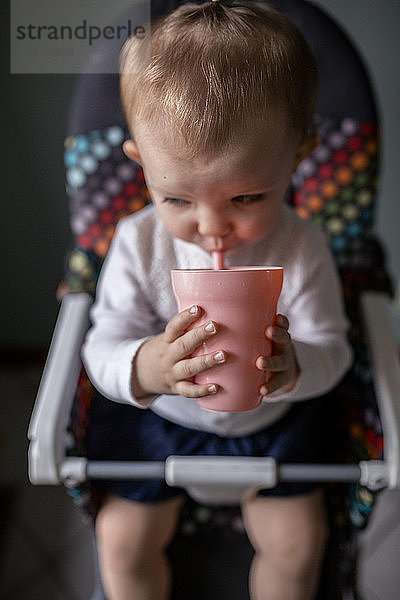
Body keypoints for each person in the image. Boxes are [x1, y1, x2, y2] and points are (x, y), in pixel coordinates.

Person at [82, 2, 353, 599]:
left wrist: (298, 367)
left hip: (274, 426)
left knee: (299, 544)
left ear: (297, 160)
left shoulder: (304, 247)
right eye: (177, 199)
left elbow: (334, 349)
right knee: (120, 539)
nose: (213, 227)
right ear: (142, 168)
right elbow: (101, 344)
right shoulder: (138, 242)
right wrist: (143, 366)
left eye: (248, 196)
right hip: (164, 423)